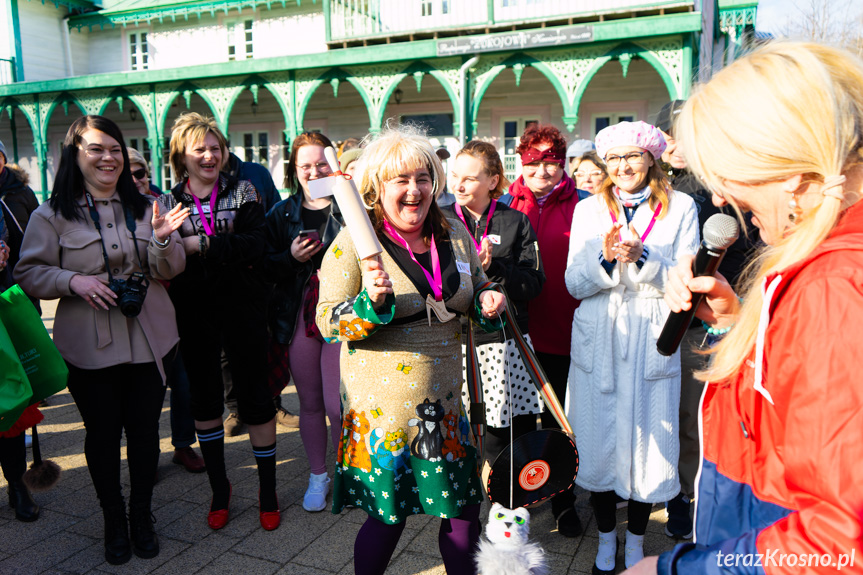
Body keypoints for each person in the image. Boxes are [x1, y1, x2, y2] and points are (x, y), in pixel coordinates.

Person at [626, 41, 863, 575]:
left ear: (793, 177)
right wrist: (736, 324)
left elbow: (842, 537)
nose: (723, 196)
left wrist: (678, 570)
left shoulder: (836, 286)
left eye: (731, 175)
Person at [315, 126, 506, 575]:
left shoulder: (455, 231)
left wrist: (487, 302)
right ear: (377, 187)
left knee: (462, 515)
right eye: (400, 180)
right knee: (389, 519)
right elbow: (326, 320)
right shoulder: (354, 244)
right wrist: (369, 304)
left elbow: (477, 291)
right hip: (385, 415)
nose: (413, 190)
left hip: (446, 405)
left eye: (422, 177)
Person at [15, 115, 189, 564]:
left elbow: (168, 271)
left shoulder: (147, 206)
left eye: (114, 148)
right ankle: (114, 519)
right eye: (96, 149)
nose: (108, 157)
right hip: (88, 345)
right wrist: (73, 281)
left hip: (151, 337)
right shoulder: (49, 214)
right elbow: (28, 273)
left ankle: (142, 515)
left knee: (147, 431)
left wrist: (165, 243)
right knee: (103, 434)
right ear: (75, 155)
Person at [564, 120, 698, 573]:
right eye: (615, 158)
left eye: (633, 156)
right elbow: (573, 283)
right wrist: (604, 260)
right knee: (599, 442)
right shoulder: (588, 210)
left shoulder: (681, 207)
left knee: (648, 450)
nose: (623, 166)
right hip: (600, 331)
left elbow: (686, 281)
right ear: (605, 163)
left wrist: (643, 257)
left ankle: (637, 540)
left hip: (650, 331)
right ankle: (605, 537)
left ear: (651, 158)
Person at [158, 112, 279, 531]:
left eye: (216, 147)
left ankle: (267, 490)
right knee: (205, 401)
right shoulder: (168, 201)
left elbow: (256, 245)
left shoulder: (243, 189)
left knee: (257, 400)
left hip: (243, 309)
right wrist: (179, 246)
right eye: (200, 149)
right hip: (193, 313)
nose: (210, 155)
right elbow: (168, 262)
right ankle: (220, 489)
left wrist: (201, 243)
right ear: (181, 156)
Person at [652, 100, 756, 540]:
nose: (677, 146)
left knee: (702, 419)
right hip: (672, 321)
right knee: (671, 418)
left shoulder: (721, 185)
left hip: (722, 315)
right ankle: (670, 493)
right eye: (669, 137)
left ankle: (695, 500)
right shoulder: (653, 186)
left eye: (685, 137)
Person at [444, 140, 545, 471]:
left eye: (470, 178)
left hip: (503, 345)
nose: (458, 184)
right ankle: (463, 507)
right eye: (454, 175)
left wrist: (495, 270)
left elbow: (534, 284)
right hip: (455, 342)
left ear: (493, 180)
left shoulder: (515, 222)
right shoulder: (440, 221)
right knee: (458, 430)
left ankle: (511, 504)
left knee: (506, 432)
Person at [506, 123, 583, 537]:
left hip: (563, 329)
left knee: (557, 421)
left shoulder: (584, 204)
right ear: (522, 162)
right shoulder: (505, 204)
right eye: (534, 163)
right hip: (516, 330)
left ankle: (563, 499)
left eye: (551, 163)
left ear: (563, 164)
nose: (542, 172)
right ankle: (518, 495)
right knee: (519, 421)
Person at [261, 131, 344, 513]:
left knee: (339, 405)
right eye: (305, 165)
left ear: (334, 162)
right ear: (295, 171)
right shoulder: (281, 213)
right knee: (310, 402)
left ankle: (349, 472)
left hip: (346, 315)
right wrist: (290, 258)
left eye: (321, 163)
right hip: (301, 315)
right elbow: (261, 269)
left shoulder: (352, 207)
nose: (314, 171)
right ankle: (318, 474)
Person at [126, 148, 206, 475]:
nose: (135, 180)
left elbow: (188, 248)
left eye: (140, 173)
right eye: (127, 174)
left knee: (183, 384)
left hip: (174, 309)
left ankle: (183, 445)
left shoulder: (167, 203)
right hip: (134, 316)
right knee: (143, 392)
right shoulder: (112, 214)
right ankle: (145, 454)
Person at [221, 149, 299, 434]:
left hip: (260, 271)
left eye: (215, 145)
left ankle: (273, 404)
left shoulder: (256, 172)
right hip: (223, 274)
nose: (210, 154)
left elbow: (274, 217)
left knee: (266, 343)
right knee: (226, 353)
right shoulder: (202, 183)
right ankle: (234, 411)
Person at [0, 137, 43, 523]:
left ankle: (17, 486)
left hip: (3, 309)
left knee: (9, 403)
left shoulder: (14, 196)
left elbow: (24, 243)